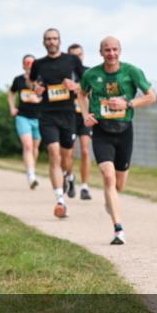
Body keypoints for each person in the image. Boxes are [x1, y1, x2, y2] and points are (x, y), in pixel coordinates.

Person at [78, 36, 156, 245]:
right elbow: (80, 94)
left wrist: (128, 104)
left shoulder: (131, 72)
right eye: (107, 50)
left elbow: (151, 96)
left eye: (114, 50)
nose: (111, 54)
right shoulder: (91, 74)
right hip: (102, 131)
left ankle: (110, 201)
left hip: (124, 131)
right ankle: (118, 229)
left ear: (120, 51)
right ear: (100, 52)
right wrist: (85, 114)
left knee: (119, 185)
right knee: (108, 176)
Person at [29, 28, 85, 218]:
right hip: (47, 115)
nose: (52, 42)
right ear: (44, 42)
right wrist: (36, 88)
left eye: (54, 38)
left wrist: (75, 86)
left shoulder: (71, 60)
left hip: (68, 114)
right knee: (54, 154)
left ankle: (69, 176)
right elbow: (33, 83)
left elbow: (85, 82)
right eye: (48, 39)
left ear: (59, 41)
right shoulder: (38, 64)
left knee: (67, 157)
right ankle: (60, 200)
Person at [9, 54, 43, 189]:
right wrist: (12, 107)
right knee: (28, 146)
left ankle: (31, 170)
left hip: (39, 118)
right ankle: (31, 176)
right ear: (23, 65)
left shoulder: (41, 80)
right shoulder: (18, 80)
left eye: (31, 63)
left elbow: (45, 95)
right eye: (27, 63)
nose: (29, 65)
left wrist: (39, 99)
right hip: (23, 117)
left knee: (35, 148)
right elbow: (11, 93)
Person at [67, 43, 93, 201]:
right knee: (69, 152)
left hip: (84, 115)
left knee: (85, 150)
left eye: (79, 54)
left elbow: (90, 89)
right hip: (68, 115)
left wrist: (77, 87)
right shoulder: (65, 72)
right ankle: (70, 178)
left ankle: (85, 186)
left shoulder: (89, 72)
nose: (77, 57)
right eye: (73, 55)